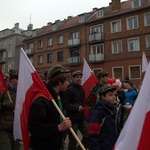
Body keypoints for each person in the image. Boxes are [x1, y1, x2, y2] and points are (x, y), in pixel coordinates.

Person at [28, 65, 72, 150]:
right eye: (67, 80)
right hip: (41, 146)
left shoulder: (58, 96)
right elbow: (33, 127)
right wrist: (58, 127)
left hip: (55, 144)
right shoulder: (41, 101)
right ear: (60, 82)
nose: (68, 83)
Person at [88, 84, 123, 150]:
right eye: (110, 95)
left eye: (114, 95)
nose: (114, 97)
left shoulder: (116, 109)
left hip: (115, 145)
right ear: (103, 97)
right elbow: (93, 134)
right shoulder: (98, 112)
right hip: (104, 146)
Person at [63, 70, 89, 150]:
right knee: (73, 139)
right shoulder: (70, 89)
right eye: (77, 77)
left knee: (88, 135)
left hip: (81, 118)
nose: (79, 79)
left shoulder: (81, 89)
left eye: (80, 77)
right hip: (72, 118)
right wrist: (76, 107)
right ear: (74, 78)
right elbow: (66, 103)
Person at [0, 69, 20, 150]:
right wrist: (4, 104)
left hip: (16, 131)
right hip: (4, 130)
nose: (19, 81)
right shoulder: (3, 91)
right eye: (16, 78)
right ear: (11, 79)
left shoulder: (21, 93)